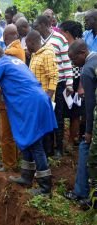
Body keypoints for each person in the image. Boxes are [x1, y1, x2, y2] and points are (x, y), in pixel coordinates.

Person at [0, 44, 57, 195]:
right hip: (38, 99)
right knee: (26, 141)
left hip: (30, 104)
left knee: (35, 145)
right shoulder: (15, 61)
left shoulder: (0, 63)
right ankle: (26, 177)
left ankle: (45, 188)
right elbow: (7, 87)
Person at [34, 15, 73, 158]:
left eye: (37, 25)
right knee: (46, 116)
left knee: (58, 116)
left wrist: (69, 84)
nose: (35, 28)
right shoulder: (38, 40)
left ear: (45, 24)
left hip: (59, 83)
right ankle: (48, 148)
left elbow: (67, 62)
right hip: (42, 85)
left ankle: (59, 148)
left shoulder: (59, 39)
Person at [0, 24, 24, 172]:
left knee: (6, 133)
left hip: (7, 99)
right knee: (12, 132)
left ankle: (9, 164)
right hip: (13, 98)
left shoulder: (9, 54)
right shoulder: (19, 49)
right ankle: (11, 160)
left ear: (9, 36)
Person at [68, 40, 97, 209]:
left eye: (74, 59)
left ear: (83, 52)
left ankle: (82, 193)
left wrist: (88, 131)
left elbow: (90, 104)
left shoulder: (87, 70)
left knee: (85, 149)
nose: (73, 63)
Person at [26, 30, 58, 157]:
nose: (26, 47)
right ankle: (42, 155)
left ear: (32, 42)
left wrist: (47, 98)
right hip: (36, 99)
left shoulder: (47, 54)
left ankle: (47, 155)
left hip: (44, 98)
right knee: (40, 127)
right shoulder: (35, 54)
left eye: (27, 44)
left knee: (46, 128)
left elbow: (54, 76)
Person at [59, 20, 85, 151]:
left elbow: (82, 67)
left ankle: (70, 140)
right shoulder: (62, 44)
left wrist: (80, 85)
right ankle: (62, 140)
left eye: (61, 31)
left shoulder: (78, 45)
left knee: (75, 112)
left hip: (76, 81)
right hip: (64, 80)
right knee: (63, 111)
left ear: (67, 32)